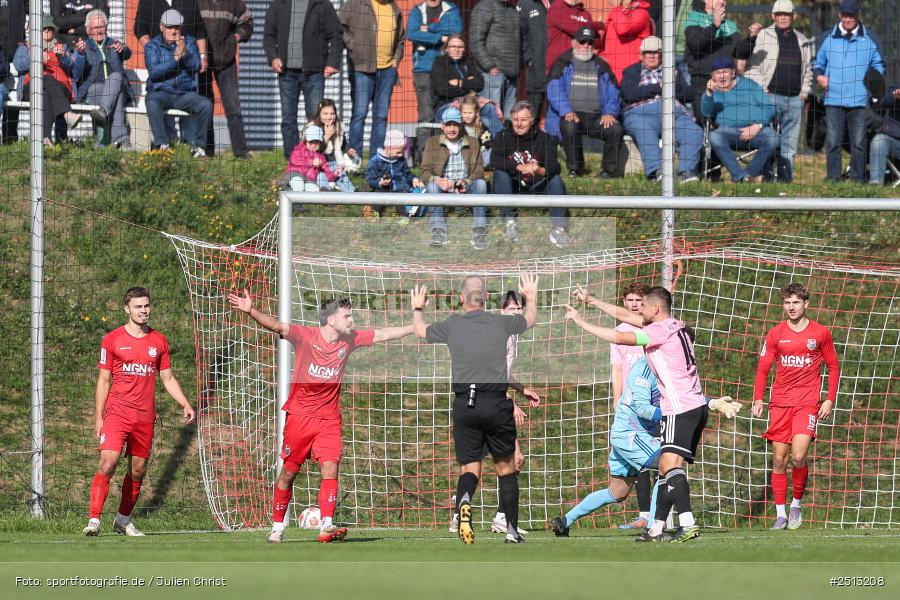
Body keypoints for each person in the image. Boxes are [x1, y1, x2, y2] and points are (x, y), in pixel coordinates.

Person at [228, 292, 415, 543]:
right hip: (300, 417)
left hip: (329, 420)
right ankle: (277, 527)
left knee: (331, 466)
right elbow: (277, 326)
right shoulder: (306, 336)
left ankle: (326, 524)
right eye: (346, 316)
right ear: (330, 319)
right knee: (288, 473)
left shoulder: (350, 340)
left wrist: (414, 327)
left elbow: (382, 334)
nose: (351, 320)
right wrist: (251, 311)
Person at [564, 285, 714, 543]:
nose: (637, 311)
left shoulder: (657, 332)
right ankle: (656, 529)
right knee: (666, 467)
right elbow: (626, 317)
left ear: (655, 308)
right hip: (693, 404)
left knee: (670, 467)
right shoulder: (676, 326)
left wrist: (581, 322)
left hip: (679, 407)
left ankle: (688, 523)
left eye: (642, 306)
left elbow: (620, 337)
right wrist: (592, 301)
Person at [410, 274, 539, 544]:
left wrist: (418, 307)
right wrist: (530, 296)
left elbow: (420, 330)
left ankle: (464, 503)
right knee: (505, 468)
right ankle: (511, 531)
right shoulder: (500, 322)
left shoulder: (453, 325)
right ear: (486, 297)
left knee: (470, 468)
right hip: (495, 402)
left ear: (461, 298)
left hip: (464, 405)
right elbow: (529, 320)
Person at [83, 287, 196, 537]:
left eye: (146, 306)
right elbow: (104, 380)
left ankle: (122, 520)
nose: (143, 311)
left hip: (144, 416)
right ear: (127, 309)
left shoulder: (159, 341)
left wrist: (185, 403)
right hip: (118, 412)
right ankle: (94, 520)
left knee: (138, 470)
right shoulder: (112, 339)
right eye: (138, 307)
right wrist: (98, 417)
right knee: (108, 461)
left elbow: (167, 378)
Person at [449, 290, 540, 536]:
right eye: (511, 309)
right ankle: (503, 521)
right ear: (501, 311)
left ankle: (462, 516)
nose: (516, 313)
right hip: (493, 403)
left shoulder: (508, 335)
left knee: (476, 465)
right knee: (511, 461)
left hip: (478, 402)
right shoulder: (500, 334)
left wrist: (521, 389)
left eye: (519, 308)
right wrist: (511, 402)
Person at [752, 282, 840, 530]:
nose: (791, 307)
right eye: (787, 303)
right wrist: (758, 398)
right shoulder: (775, 334)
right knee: (779, 460)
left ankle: (796, 505)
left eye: (796, 302)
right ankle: (780, 514)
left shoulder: (820, 333)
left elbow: (833, 367)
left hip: (807, 403)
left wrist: (829, 399)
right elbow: (763, 368)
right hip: (780, 404)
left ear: (805, 304)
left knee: (799, 456)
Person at [734, 0, 812, 182]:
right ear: (772, 16)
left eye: (786, 14)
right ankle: (767, 177)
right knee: (768, 140)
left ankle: (785, 180)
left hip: (795, 99)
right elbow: (751, 67)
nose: (782, 18)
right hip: (769, 97)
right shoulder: (762, 36)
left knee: (789, 144)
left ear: (794, 16)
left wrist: (804, 93)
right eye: (779, 14)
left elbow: (808, 69)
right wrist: (762, 90)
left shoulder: (803, 40)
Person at [814, 0, 884, 183]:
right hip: (833, 99)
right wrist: (819, 76)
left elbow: (878, 65)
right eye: (845, 15)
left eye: (852, 15)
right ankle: (833, 179)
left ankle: (857, 180)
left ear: (858, 15)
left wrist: (871, 86)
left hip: (859, 101)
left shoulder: (870, 37)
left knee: (859, 143)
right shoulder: (827, 37)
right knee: (833, 142)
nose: (848, 19)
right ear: (839, 15)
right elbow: (818, 63)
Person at [264, 0, 343, 159]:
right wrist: (273, 57)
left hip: (314, 73)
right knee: (288, 120)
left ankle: (315, 159)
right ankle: (292, 159)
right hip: (286, 73)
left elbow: (336, 35)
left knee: (315, 119)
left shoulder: (322, 4)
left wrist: (332, 62)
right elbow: (269, 35)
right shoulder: (279, 4)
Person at [546, 28, 627, 179]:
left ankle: (608, 171)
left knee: (615, 129)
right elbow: (554, 89)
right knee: (569, 126)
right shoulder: (562, 62)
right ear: (574, 43)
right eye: (582, 41)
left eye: (590, 42)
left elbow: (613, 91)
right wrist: (566, 110)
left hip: (597, 117)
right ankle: (576, 169)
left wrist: (609, 112)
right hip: (571, 114)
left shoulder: (602, 65)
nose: (586, 45)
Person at [620, 35, 702, 182]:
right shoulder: (631, 71)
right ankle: (657, 172)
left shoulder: (673, 71)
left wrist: (673, 86)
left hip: (674, 113)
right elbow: (628, 94)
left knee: (693, 131)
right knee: (644, 130)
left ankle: (686, 172)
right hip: (641, 114)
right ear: (641, 55)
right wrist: (658, 87)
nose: (652, 56)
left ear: (662, 54)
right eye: (648, 52)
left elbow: (689, 95)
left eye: (656, 52)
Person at [489, 100, 570, 248]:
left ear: (532, 120)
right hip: (512, 185)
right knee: (500, 173)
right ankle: (510, 221)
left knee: (556, 180)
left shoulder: (544, 138)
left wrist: (538, 169)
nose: (519, 124)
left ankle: (559, 227)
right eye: (515, 120)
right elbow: (494, 161)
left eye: (523, 120)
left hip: (537, 184)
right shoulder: (503, 135)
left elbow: (555, 166)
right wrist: (519, 167)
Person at [607, 283, 654, 529]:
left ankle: (660, 515)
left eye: (639, 300)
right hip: (632, 406)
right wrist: (617, 398)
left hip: (654, 401)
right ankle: (645, 515)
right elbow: (617, 369)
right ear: (624, 302)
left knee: (663, 457)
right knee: (642, 460)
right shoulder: (619, 332)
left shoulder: (652, 327)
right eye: (630, 300)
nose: (634, 304)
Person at [340, 0, 406, 157]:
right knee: (359, 114)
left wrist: (396, 60)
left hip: (387, 70)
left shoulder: (393, 6)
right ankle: (355, 159)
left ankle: (377, 158)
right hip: (362, 69)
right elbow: (340, 27)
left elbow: (401, 38)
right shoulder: (355, 3)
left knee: (381, 116)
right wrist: (353, 46)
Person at [144, 9, 213, 157]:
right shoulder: (152, 46)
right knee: (151, 100)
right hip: (161, 92)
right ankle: (162, 145)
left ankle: (199, 148)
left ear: (181, 28)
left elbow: (196, 66)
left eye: (176, 27)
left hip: (184, 94)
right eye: (169, 27)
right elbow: (154, 73)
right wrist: (175, 59)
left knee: (206, 105)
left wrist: (185, 53)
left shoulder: (189, 42)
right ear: (161, 27)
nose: (173, 31)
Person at [700, 56, 778, 183]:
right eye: (717, 73)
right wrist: (708, 93)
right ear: (712, 76)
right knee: (714, 136)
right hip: (728, 133)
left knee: (773, 138)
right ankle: (740, 176)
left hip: (757, 131)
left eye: (725, 72)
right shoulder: (712, 92)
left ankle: (749, 174)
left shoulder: (750, 85)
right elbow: (706, 114)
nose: (722, 76)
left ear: (733, 73)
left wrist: (758, 126)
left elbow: (769, 108)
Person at [420, 107, 489, 249]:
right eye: (448, 125)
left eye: (455, 125)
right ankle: (438, 231)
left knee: (481, 184)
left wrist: (466, 181)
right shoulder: (432, 142)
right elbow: (424, 171)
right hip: (443, 184)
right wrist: (437, 180)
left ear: (461, 125)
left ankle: (479, 231)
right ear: (442, 126)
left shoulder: (473, 142)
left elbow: (479, 170)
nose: (452, 129)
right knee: (432, 186)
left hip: (465, 184)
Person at [13, 17, 85, 146]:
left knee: (46, 94)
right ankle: (67, 114)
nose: (47, 31)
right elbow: (18, 64)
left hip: (62, 89)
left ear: (54, 31)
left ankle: (45, 139)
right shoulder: (26, 46)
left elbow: (75, 72)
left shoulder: (62, 47)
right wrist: (36, 59)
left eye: (50, 28)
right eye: (43, 29)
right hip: (32, 88)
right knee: (46, 78)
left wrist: (63, 57)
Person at [198, 0, 253, 158]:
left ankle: (241, 152)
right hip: (202, 62)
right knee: (205, 105)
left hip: (226, 60)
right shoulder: (197, 2)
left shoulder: (234, 2)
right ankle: (207, 151)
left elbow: (248, 22)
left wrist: (237, 35)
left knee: (233, 107)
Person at [76, 9, 132, 149]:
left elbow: (128, 54)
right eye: (95, 28)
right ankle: (122, 140)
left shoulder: (114, 44)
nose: (99, 31)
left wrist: (123, 48)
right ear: (88, 30)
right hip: (94, 89)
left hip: (117, 86)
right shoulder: (83, 46)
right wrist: (80, 55)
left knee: (117, 77)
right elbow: (76, 72)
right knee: (102, 89)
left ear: (106, 27)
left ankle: (102, 140)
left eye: (102, 27)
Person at [430, 35, 503, 136]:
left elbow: (480, 84)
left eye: (460, 47)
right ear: (446, 49)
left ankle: (500, 141)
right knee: (453, 113)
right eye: (453, 46)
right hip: (447, 103)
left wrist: (460, 83)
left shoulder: (468, 62)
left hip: (471, 101)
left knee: (489, 108)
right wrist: (469, 86)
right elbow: (443, 90)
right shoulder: (439, 64)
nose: (457, 50)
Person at [684, 0, 740, 126]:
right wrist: (715, 26)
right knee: (704, 123)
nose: (722, 2)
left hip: (727, 83)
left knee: (727, 123)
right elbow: (695, 45)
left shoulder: (730, 25)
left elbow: (740, 52)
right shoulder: (693, 20)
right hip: (702, 82)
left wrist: (751, 39)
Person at [469, 0, 528, 119]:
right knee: (492, 116)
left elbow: (521, 39)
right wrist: (489, 65)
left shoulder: (512, 9)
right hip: (493, 73)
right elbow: (475, 41)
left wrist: (520, 64)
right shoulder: (485, 6)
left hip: (512, 73)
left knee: (509, 118)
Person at [407, 0, 463, 125]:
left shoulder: (451, 9)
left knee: (447, 113)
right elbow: (411, 34)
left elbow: (456, 32)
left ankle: (444, 137)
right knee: (426, 115)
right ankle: (425, 138)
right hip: (423, 70)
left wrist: (427, 29)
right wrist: (440, 37)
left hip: (446, 69)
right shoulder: (417, 10)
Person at [363, 129, 425, 222]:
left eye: (402, 152)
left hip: (400, 188)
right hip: (383, 188)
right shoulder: (375, 161)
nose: (400, 155)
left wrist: (414, 179)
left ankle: (403, 217)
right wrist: (380, 182)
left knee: (402, 199)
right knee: (379, 197)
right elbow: (369, 177)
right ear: (387, 147)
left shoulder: (401, 160)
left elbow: (407, 173)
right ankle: (374, 212)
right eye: (398, 152)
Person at [308, 99, 357, 192]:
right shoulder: (312, 127)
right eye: (325, 114)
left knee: (342, 176)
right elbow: (311, 150)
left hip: (333, 162)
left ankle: (353, 193)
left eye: (332, 114)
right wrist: (326, 136)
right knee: (320, 176)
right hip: (317, 164)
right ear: (319, 114)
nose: (329, 117)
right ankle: (325, 191)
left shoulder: (338, 126)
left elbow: (343, 144)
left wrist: (348, 149)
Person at [602, 0, 654, 85]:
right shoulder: (620, 12)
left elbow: (623, 29)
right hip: (612, 75)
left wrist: (617, 7)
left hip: (629, 78)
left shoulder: (641, 13)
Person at [546, 0, 604, 72]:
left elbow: (595, 40)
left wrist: (601, 36)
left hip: (580, 67)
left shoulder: (584, 13)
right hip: (558, 67)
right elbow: (577, 29)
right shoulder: (557, 7)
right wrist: (599, 25)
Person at [285, 125, 340, 192]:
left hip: (309, 180)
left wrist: (334, 175)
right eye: (311, 142)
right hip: (295, 175)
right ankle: (289, 191)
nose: (313, 145)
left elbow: (326, 170)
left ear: (320, 143)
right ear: (305, 141)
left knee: (315, 190)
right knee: (299, 187)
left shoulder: (321, 157)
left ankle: (322, 193)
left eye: (316, 142)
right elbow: (294, 160)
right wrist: (311, 162)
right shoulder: (299, 149)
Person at [1, 0, 26, 143]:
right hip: (0, 52)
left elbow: (36, 12)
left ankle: (9, 138)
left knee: (14, 95)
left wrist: (29, 34)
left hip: (15, 51)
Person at [519, 0, 549, 114]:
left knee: (555, 114)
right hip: (536, 67)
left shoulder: (558, 3)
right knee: (533, 113)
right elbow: (520, 33)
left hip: (555, 67)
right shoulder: (525, 3)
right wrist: (529, 59)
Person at [868, 86, 900, 185]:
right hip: (896, 143)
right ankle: (875, 183)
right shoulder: (896, 87)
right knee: (879, 140)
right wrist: (895, 96)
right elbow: (886, 102)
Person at [459, 94, 494, 166]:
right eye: (464, 113)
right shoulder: (459, 128)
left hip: (480, 157)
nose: (467, 115)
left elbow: (487, 145)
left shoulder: (482, 128)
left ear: (476, 113)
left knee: (491, 152)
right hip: (463, 157)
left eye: (470, 113)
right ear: (460, 113)